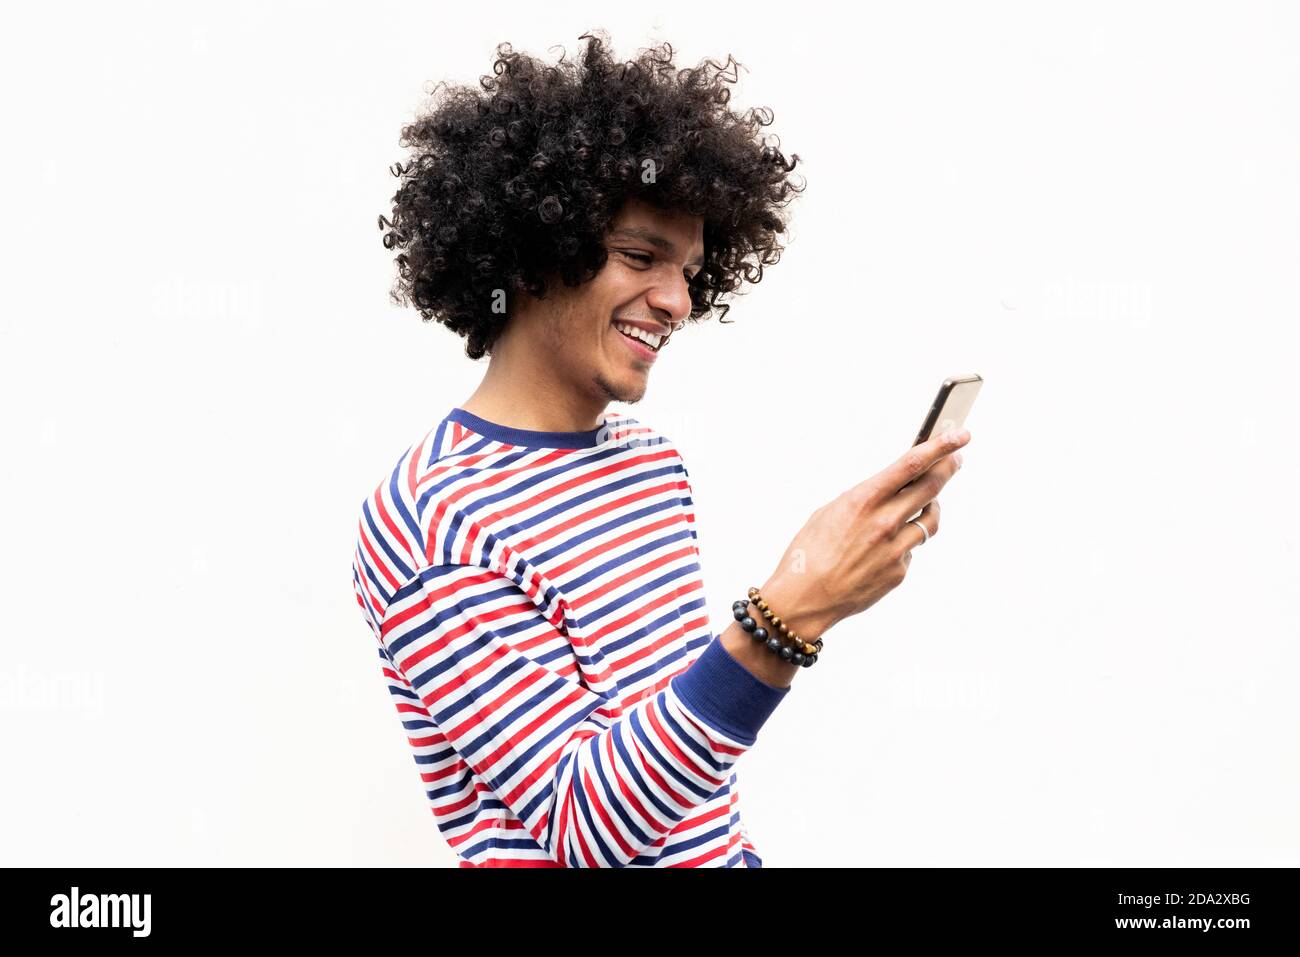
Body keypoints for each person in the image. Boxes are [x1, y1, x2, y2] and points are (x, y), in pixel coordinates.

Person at [351, 31, 971, 867]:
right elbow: (586, 824)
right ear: (534, 252)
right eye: (641, 256)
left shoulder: (648, 463)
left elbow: (685, 788)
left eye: (690, 270)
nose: (678, 300)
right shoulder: (432, 520)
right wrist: (790, 615)